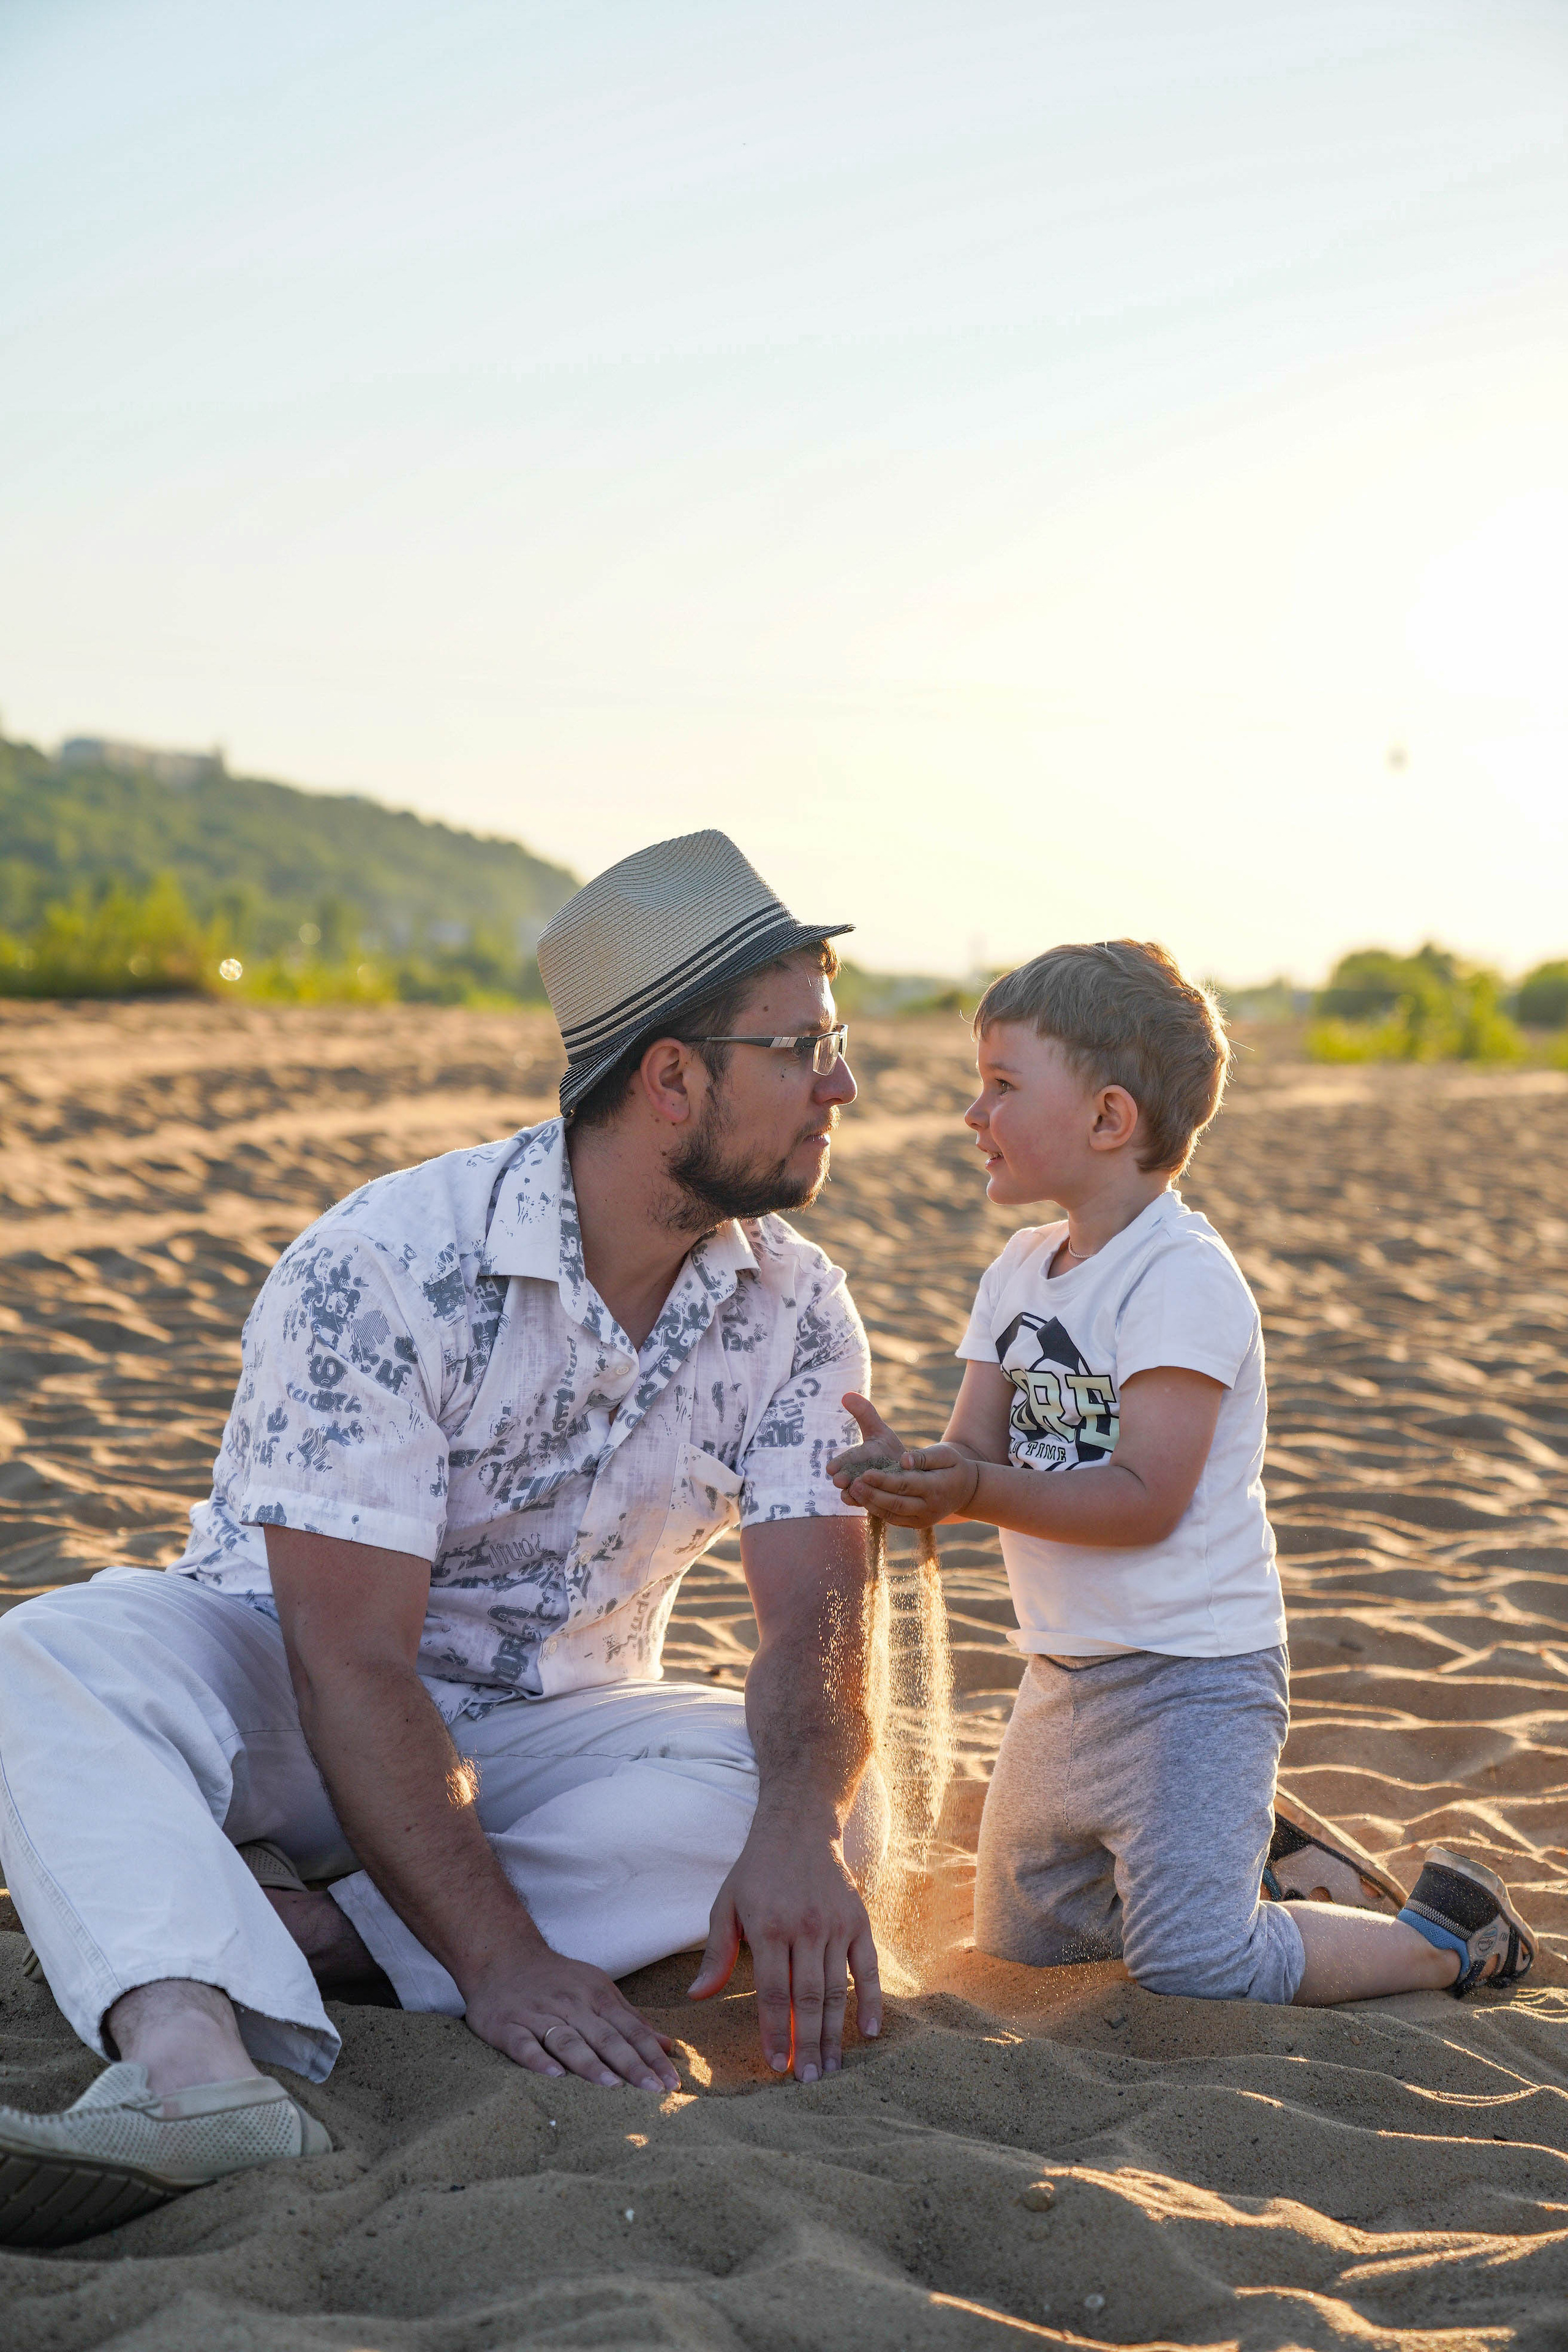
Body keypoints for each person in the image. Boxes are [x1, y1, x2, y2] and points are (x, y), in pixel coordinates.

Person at [0, 831, 887, 2247]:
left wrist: (795, 1826)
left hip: (553, 1723)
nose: (841, 1083)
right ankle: (193, 2071)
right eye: (802, 1046)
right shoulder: (383, 1265)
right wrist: (505, 1963)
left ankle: (316, 1938)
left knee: (817, 1799)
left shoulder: (794, 1305)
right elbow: (348, 1661)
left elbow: (818, 1621)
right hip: (283, 1689)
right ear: (670, 1079)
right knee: (39, 1656)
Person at [832, 940, 1536, 2011]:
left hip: (1192, 1680)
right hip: (1061, 1680)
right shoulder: (1021, 1270)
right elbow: (975, 1452)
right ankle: (1230, 1854)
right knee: (1029, 1948)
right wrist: (919, 1471)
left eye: (1003, 1085)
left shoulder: (1182, 1279)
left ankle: (1444, 1937)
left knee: (1196, 1966)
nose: (974, 1113)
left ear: (1110, 1119)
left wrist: (972, 1490)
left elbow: (1143, 1499)